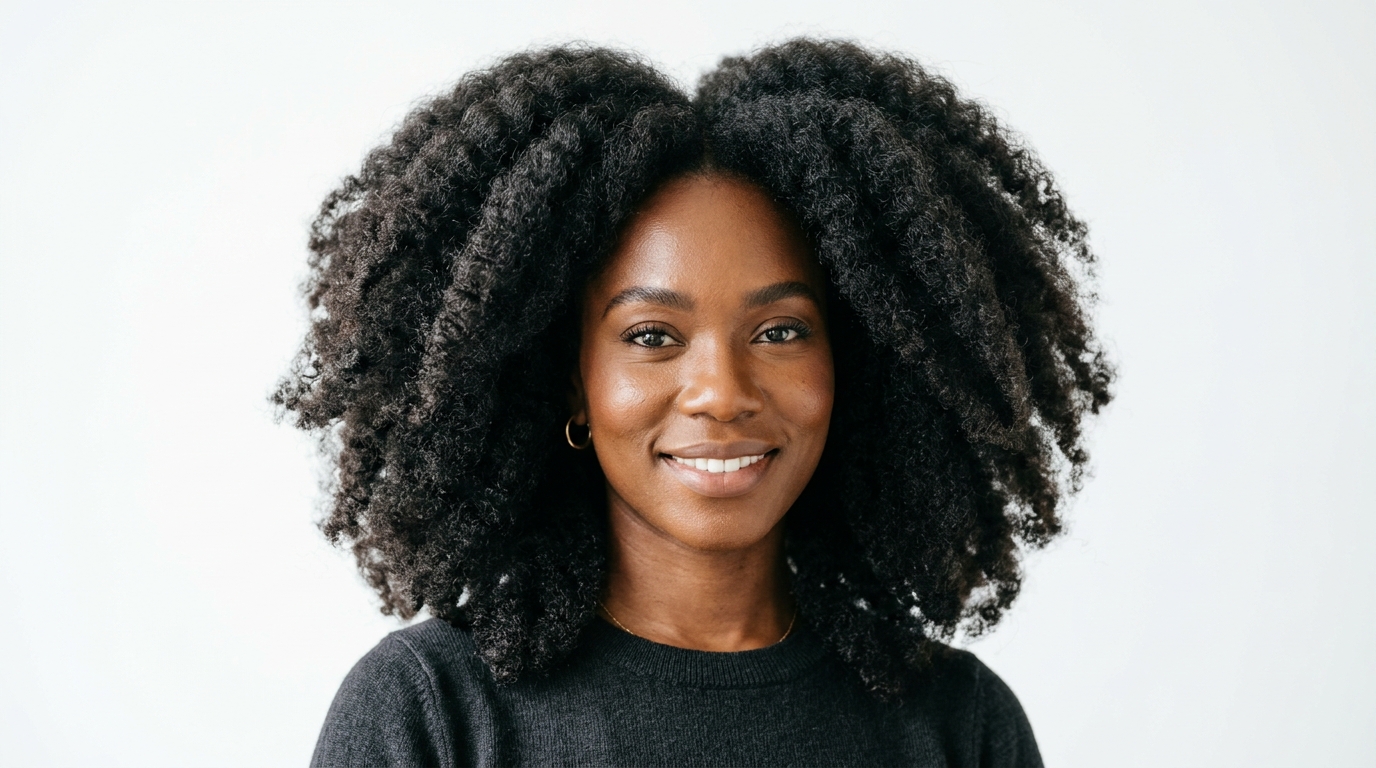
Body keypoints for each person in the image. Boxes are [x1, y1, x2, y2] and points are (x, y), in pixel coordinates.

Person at [277, 38, 1113, 767]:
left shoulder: (958, 725)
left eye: (780, 331)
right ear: (572, 380)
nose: (721, 393)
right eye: (652, 335)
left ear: (857, 360)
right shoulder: (432, 711)